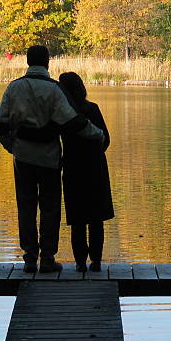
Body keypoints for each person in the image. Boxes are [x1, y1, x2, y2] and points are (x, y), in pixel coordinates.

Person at [0, 45, 104, 273]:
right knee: (50, 207)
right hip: (49, 158)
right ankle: (47, 258)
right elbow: (73, 121)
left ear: (27, 62)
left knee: (26, 206)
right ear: (48, 62)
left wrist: (11, 146)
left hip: (23, 156)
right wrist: (98, 135)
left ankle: (30, 258)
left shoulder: (14, 88)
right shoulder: (54, 90)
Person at [59, 72, 114, 273]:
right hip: (95, 167)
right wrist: (95, 152)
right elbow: (106, 139)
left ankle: (80, 263)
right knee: (96, 218)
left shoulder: (62, 114)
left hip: (73, 168)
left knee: (78, 219)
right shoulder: (93, 109)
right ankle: (97, 262)